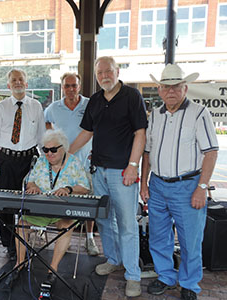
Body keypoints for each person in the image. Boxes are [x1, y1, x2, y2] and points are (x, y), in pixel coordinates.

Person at [69, 56, 147, 297]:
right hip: (98, 171)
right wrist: (66, 155)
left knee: (127, 224)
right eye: (99, 72)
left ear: (117, 71)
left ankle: (132, 275)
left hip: (123, 172)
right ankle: (114, 259)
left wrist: (133, 165)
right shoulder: (94, 100)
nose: (104, 75)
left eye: (108, 71)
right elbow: (87, 132)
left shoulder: (132, 96)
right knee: (104, 219)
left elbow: (140, 133)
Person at [140, 64, 218, 300]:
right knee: (159, 236)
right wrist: (144, 184)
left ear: (184, 88)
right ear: (160, 90)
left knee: (190, 240)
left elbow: (211, 152)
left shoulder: (199, 112)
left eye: (176, 86)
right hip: (158, 185)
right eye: (166, 86)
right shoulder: (155, 115)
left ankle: (189, 283)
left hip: (188, 186)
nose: (171, 91)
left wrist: (201, 188)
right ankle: (165, 276)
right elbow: (147, 153)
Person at [10, 129, 90, 284]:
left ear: (63, 148)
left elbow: (85, 187)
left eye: (53, 149)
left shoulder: (73, 162)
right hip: (41, 209)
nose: (49, 154)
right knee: (21, 224)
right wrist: (32, 187)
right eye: (45, 150)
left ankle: (52, 268)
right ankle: (20, 263)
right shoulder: (41, 161)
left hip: (63, 211)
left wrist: (68, 189)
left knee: (67, 226)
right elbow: (31, 180)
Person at [0, 69, 45, 261]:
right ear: (8, 85)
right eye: (14, 80)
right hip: (6, 160)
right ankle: (10, 245)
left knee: (27, 204)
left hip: (28, 161)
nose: (18, 82)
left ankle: (25, 242)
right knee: (6, 206)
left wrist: (45, 163)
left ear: (27, 84)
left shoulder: (36, 106)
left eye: (21, 79)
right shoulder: (1, 107)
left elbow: (41, 137)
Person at [44, 72, 99, 256]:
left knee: (89, 202)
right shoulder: (53, 108)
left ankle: (89, 237)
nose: (70, 89)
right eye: (67, 86)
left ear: (79, 86)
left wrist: (96, 150)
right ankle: (64, 238)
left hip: (86, 162)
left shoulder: (90, 104)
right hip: (64, 166)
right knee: (64, 201)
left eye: (73, 85)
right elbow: (46, 125)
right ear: (62, 88)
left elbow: (98, 128)